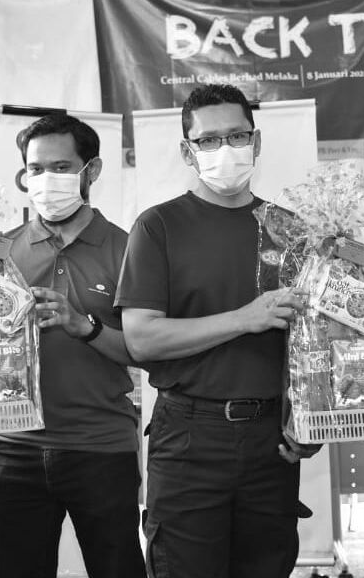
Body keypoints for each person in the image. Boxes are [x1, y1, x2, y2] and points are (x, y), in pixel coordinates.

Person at [117, 84, 318, 578]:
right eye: (208, 140)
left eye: (237, 136)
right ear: (188, 152)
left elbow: (314, 343)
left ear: (257, 142)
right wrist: (244, 319)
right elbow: (141, 339)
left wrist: (313, 420)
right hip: (190, 436)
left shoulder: (291, 230)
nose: (225, 149)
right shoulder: (158, 226)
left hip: (271, 440)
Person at [0, 113, 146, 578]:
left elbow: (147, 351)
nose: (46, 180)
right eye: (35, 169)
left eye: (61, 167)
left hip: (102, 448)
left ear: (91, 171)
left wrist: (85, 326)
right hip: (12, 450)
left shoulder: (129, 249)